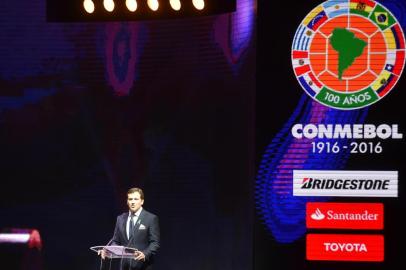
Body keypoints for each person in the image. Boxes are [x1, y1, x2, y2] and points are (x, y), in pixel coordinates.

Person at [100, 188, 160, 270]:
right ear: (127, 201)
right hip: (124, 267)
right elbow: (115, 241)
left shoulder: (150, 218)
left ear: (142, 201)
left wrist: (145, 254)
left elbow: (155, 243)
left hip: (143, 266)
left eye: (136, 199)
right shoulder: (120, 219)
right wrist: (109, 251)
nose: (132, 202)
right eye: (130, 199)